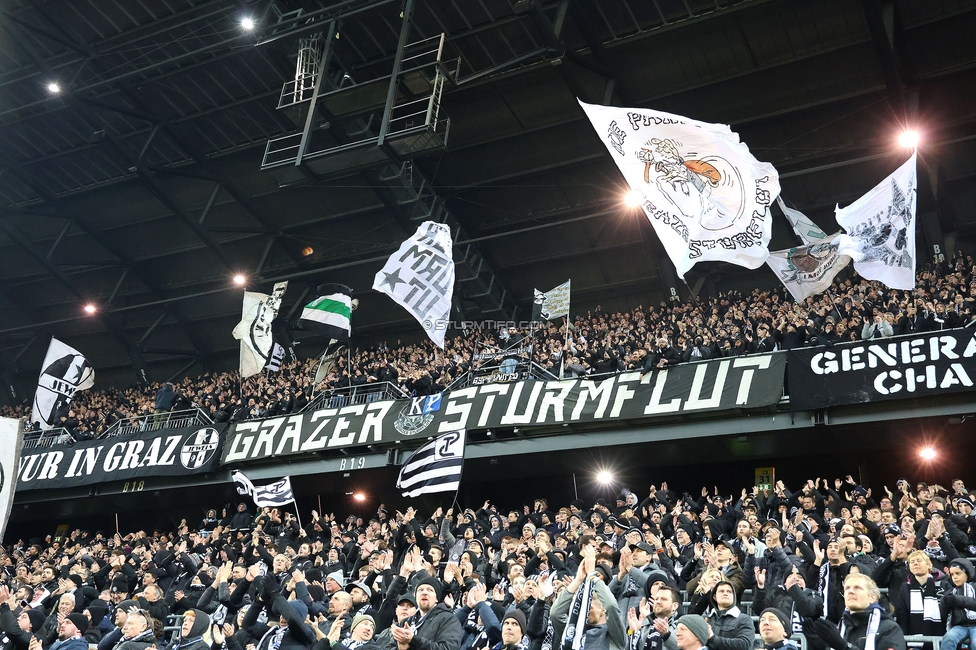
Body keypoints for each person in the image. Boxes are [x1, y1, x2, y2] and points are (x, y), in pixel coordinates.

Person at [806, 573, 906, 650]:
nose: (851, 591)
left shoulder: (889, 628)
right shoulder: (839, 629)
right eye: (847, 588)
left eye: (858, 588)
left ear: (872, 598)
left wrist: (844, 647)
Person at [389, 579, 462, 650]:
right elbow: (388, 647)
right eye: (420, 590)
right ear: (416, 597)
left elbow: (448, 647)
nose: (424, 593)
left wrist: (414, 640)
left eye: (430, 590)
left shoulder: (449, 620)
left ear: (437, 598)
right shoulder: (405, 622)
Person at [703, 581, 753, 650]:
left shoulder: (745, 619)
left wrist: (712, 638)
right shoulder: (707, 620)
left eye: (729, 592)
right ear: (714, 597)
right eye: (721, 591)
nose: (725, 593)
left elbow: (745, 644)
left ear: (734, 596)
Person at [939, 558, 976, 650]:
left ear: (968, 573)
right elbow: (943, 614)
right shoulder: (951, 592)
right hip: (959, 626)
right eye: (952, 574)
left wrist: (957, 599)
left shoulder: (974, 587)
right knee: (948, 638)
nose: (954, 577)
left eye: (958, 573)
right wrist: (944, 602)